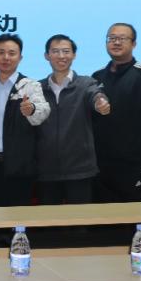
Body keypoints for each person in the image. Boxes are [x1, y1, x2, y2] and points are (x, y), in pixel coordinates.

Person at [92, 23, 141, 203]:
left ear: (134, 44)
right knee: (102, 219)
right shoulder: (97, 77)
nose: (116, 42)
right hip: (100, 167)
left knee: (138, 218)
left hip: (133, 166)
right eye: (112, 38)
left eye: (122, 38)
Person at [0, 33, 50, 208]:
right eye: (1, 52)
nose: (6, 57)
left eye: (12, 53)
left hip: (21, 165)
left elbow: (43, 111)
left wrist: (32, 109)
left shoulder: (30, 85)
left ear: (20, 57)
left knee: (19, 217)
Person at [38, 34, 110, 205]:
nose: (61, 56)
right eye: (55, 51)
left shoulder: (86, 83)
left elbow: (96, 94)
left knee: (80, 220)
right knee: (48, 219)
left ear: (74, 55)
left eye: (66, 51)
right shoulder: (37, 88)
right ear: (47, 55)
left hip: (80, 170)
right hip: (46, 170)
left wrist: (100, 102)